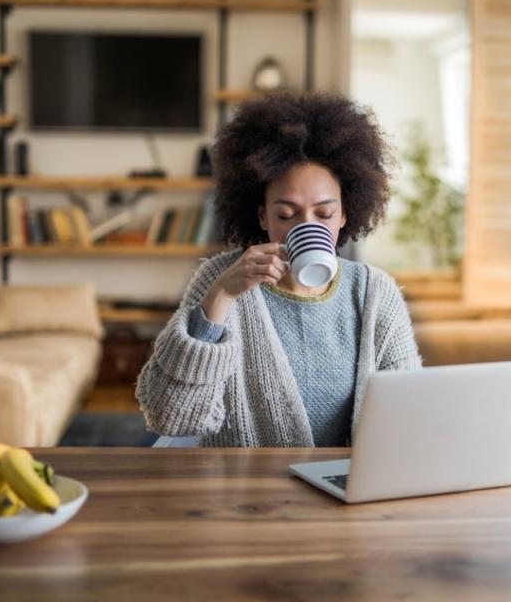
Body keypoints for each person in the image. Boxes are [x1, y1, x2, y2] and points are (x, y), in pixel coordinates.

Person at [136, 92, 422, 447]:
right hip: (249, 490)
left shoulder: (375, 293)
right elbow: (172, 415)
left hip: (345, 488)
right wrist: (220, 298)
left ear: (346, 214)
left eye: (324, 214)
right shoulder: (221, 280)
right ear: (262, 216)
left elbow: (410, 415)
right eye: (286, 215)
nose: (306, 225)